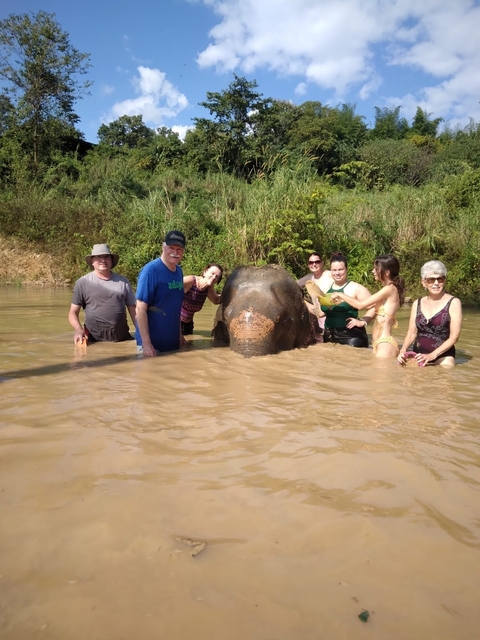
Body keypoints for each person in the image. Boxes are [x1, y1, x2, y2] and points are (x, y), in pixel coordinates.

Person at [331, 254, 405, 357]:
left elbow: (361, 305)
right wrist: (363, 322)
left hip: (385, 343)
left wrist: (340, 294)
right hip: (379, 343)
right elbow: (375, 309)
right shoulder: (388, 289)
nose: (373, 271)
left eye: (376, 269)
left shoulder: (390, 289)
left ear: (387, 272)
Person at [398, 260, 462, 367]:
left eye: (440, 279)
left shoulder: (454, 302)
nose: (436, 283)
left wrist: (432, 355)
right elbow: (411, 333)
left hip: (443, 356)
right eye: (431, 280)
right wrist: (403, 350)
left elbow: (454, 337)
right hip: (417, 355)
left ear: (444, 281)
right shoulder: (417, 303)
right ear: (423, 282)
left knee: (446, 371)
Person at [68, 244, 136, 344]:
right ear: (92, 261)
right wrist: (78, 330)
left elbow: (133, 310)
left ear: (111, 260)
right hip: (93, 339)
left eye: (106, 257)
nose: (103, 260)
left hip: (122, 338)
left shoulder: (123, 282)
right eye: (98, 257)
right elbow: (73, 312)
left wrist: (141, 331)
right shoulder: (82, 283)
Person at [135, 230, 186, 357]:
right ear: (163, 247)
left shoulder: (179, 271)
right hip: (153, 346)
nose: (175, 252)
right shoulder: (150, 271)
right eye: (171, 248)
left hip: (172, 343)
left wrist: (179, 334)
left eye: (179, 249)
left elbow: (175, 306)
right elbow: (140, 309)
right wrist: (146, 344)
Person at [320, 252, 376, 347]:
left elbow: (375, 307)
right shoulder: (325, 288)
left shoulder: (356, 288)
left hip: (352, 337)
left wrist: (363, 321)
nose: (337, 273)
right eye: (334, 270)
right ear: (330, 271)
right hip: (329, 336)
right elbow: (321, 313)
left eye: (340, 269)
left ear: (346, 269)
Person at [296, 252, 333, 337]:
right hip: (319, 316)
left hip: (331, 314)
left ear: (322, 263)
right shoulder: (309, 278)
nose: (314, 264)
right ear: (308, 265)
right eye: (311, 262)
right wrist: (303, 301)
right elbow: (293, 285)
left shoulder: (330, 274)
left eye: (317, 262)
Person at [181, 263, 223, 335]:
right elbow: (170, 286)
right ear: (205, 272)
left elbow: (216, 300)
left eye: (217, 277)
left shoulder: (209, 289)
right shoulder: (190, 281)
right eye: (212, 273)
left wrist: (231, 293)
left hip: (188, 325)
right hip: (173, 322)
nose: (213, 277)